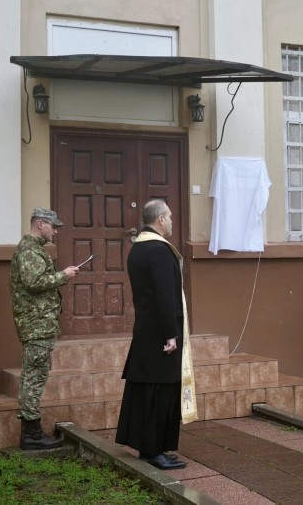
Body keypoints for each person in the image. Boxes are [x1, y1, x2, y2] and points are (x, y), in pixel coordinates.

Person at [115, 200, 189, 470]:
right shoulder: (158, 250)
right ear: (159, 219)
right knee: (158, 392)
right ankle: (152, 450)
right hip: (161, 332)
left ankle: (153, 447)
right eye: (169, 216)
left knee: (148, 390)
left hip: (147, 328)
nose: (171, 220)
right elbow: (164, 295)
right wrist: (171, 334)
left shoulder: (138, 248)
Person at [10, 207, 79, 450]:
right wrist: (64, 275)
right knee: (34, 378)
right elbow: (34, 282)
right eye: (53, 226)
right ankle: (31, 435)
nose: (56, 232)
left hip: (40, 324)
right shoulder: (29, 251)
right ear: (40, 224)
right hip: (36, 325)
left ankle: (32, 433)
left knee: (35, 376)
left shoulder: (34, 250)